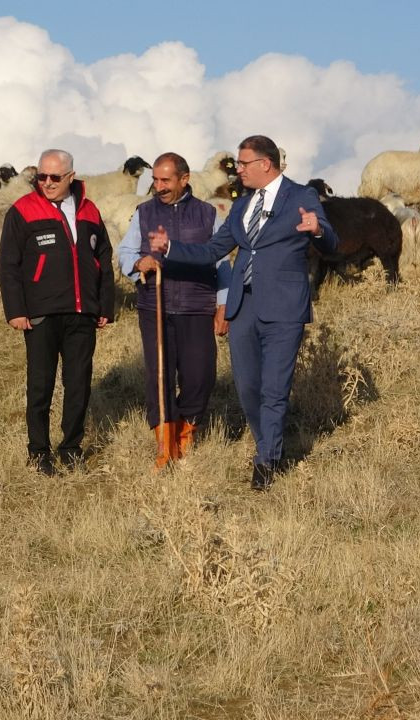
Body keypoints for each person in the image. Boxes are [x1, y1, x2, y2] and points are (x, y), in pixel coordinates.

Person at [141, 135, 337, 490]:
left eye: (244, 164)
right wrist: (171, 248)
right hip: (243, 308)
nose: (238, 170)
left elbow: (331, 241)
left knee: (274, 389)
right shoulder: (243, 205)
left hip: (283, 308)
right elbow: (214, 249)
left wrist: (318, 230)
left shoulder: (302, 197)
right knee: (248, 388)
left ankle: (266, 460)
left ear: (266, 164)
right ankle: (268, 444)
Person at [0, 149, 114, 476]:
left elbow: (102, 259)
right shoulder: (22, 211)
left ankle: (71, 447)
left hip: (82, 313)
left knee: (78, 383)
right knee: (41, 384)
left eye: (54, 177)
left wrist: (104, 306)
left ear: (70, 177)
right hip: (41, 313)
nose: (46, 183)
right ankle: (38, 452)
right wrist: (15, 310)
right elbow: (8, 265)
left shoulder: (89, 211)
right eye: (41, 177)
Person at [117, 152, 231, 469]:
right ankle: (165, 447)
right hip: (155, 305)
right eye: (155, 179)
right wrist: (139, 263)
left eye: (166, 180)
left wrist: (223, 304)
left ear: (185, 179)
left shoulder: (209, 215)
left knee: (200, 378)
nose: (159, 186)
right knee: (159, 376)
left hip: (197, 305)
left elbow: (222, 263)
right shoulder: (143, 213)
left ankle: (186, 431)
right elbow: (124, 252)